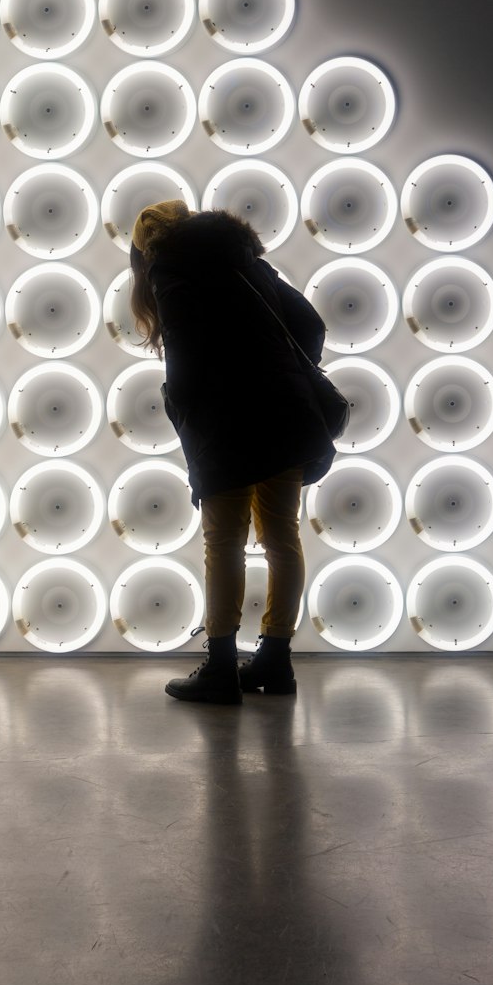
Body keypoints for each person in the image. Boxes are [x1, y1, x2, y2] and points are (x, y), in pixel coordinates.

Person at [128, 199, 338, 705]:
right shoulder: (247, 262)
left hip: (226, 423)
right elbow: (311, 326)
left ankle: (222, 667)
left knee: (223, 541)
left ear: (145, 249)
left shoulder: (170, 270)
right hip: (285, 415)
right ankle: (275, 661)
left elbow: (182, 358)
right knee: (282, 537)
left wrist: (181, 408)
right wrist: (276, 370)